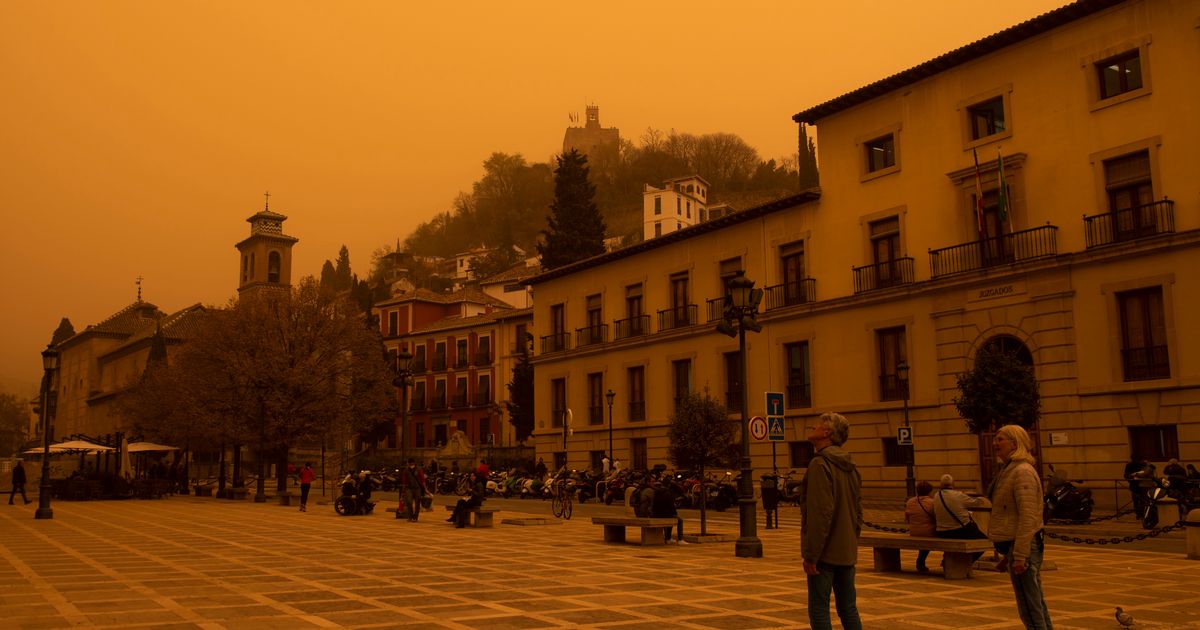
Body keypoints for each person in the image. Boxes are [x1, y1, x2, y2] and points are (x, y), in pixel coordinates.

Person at [800, 412, 862, 630]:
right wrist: (851, 542)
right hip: (846, 551)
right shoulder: (851, 467)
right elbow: (858, 512)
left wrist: (811, 555)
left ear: (826, 432)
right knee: (848, 608)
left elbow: (819, 514)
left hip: (825, 554)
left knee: (819, 608)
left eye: (817, 425)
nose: (813, 428)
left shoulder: (819, 464)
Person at [988, 424, 1052, 630]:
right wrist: (1008, 555)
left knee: (1030, 604)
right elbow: (1012, 516)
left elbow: (1028, 516)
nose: (995, 443)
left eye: (1000, 439)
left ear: (1015, 444)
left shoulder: (1022, 471)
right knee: (1031, 602)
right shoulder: (1009, 470)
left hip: (1025, 547)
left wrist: (1020, 555)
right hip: (1016, 547)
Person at [933, 474, 989, 563]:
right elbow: (977, 503)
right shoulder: (959, 495)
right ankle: (964, 562)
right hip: (959, 530)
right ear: (953, 484)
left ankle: (948, 561)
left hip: (942, 532)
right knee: (984, 541)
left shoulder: (936, 495)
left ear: (941, 485)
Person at [904, 481, 936, 572]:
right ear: (929, 492)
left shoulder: (910, 501)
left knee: (924, 534)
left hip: (914, 531)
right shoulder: (931, 502)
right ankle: (945, 560)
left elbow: (906, 519)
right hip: (929, 532)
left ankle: (920, 561)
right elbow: (936, 517)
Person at [650, 478, 685, 544]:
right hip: (664, 514)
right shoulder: (668, 493)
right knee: (679, 520)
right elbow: (671, 506)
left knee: (670, 517)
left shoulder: (657, 491)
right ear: (669, 485)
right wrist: (675, 513)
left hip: (656, 514)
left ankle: (668, 538)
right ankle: (680, 539)